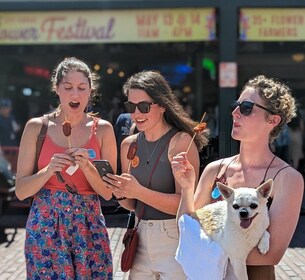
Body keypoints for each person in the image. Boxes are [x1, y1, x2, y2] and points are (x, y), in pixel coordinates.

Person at [172, 75, 304, 280]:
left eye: (246, 108)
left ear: (272, 120)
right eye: (236, 105)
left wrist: (208, 249)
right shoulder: (215, 170)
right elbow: (187, 232)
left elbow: (270, 254)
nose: (234, 113)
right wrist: (187, 189)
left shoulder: (287, 178)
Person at [15, 57, 116, 279]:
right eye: (68, 87)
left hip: (88, 223)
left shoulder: (103, 131)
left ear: (91, 90)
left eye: (82, 88)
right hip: (45, 223)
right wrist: (48, 170)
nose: (75, 95)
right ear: (57, 89)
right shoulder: (36, 128)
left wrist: (88, 168)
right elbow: (21, 191)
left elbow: (108, 192)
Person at [103, 70, 208, 280]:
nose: (136, 114)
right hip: (140, 234)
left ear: (162, 105)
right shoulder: (128, 145)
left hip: (174, 236)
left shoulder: (180, 142)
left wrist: (138, 191)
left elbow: (187, 204)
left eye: (143, 106)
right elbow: (132, 204)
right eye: (130, 107)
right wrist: (121, 192)